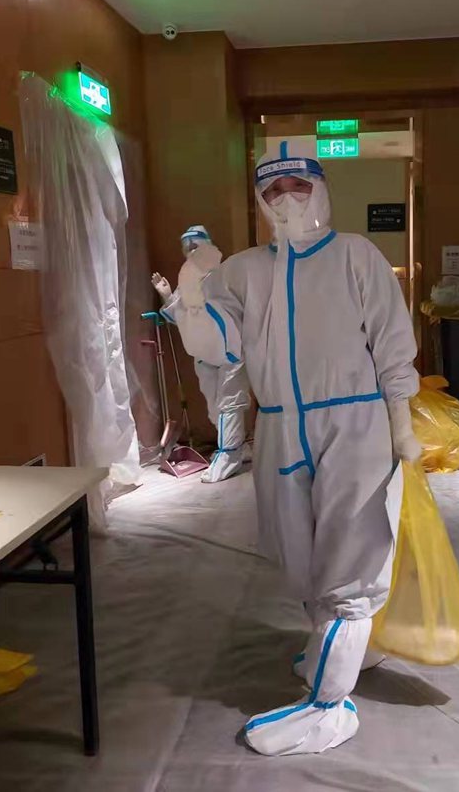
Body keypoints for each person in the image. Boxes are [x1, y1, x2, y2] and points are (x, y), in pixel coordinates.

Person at [174, 143, 421, 755]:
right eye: (273, 189)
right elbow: (217, 346)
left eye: (298, 185)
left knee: (351, 558)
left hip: (355, 424)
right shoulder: (245, 270)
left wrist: (400, 420)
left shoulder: (356, 255)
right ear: (260, 199)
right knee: (300, 554)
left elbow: (392, 341)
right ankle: (332, 645)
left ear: (321, 187)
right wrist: (195, 289)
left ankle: (328, 707)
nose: (286, 198)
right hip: (282, 427)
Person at [151, 225, 250, 483]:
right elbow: (182, 318)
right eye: (187, 247)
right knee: (214, 407)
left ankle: (229, 455)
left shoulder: (222, 276)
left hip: (228, 350)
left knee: (230, 403)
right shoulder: (188, 283)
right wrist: (167, 295)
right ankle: (237, 447)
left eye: (196, 246)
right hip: (204, 355)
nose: (191, 251)